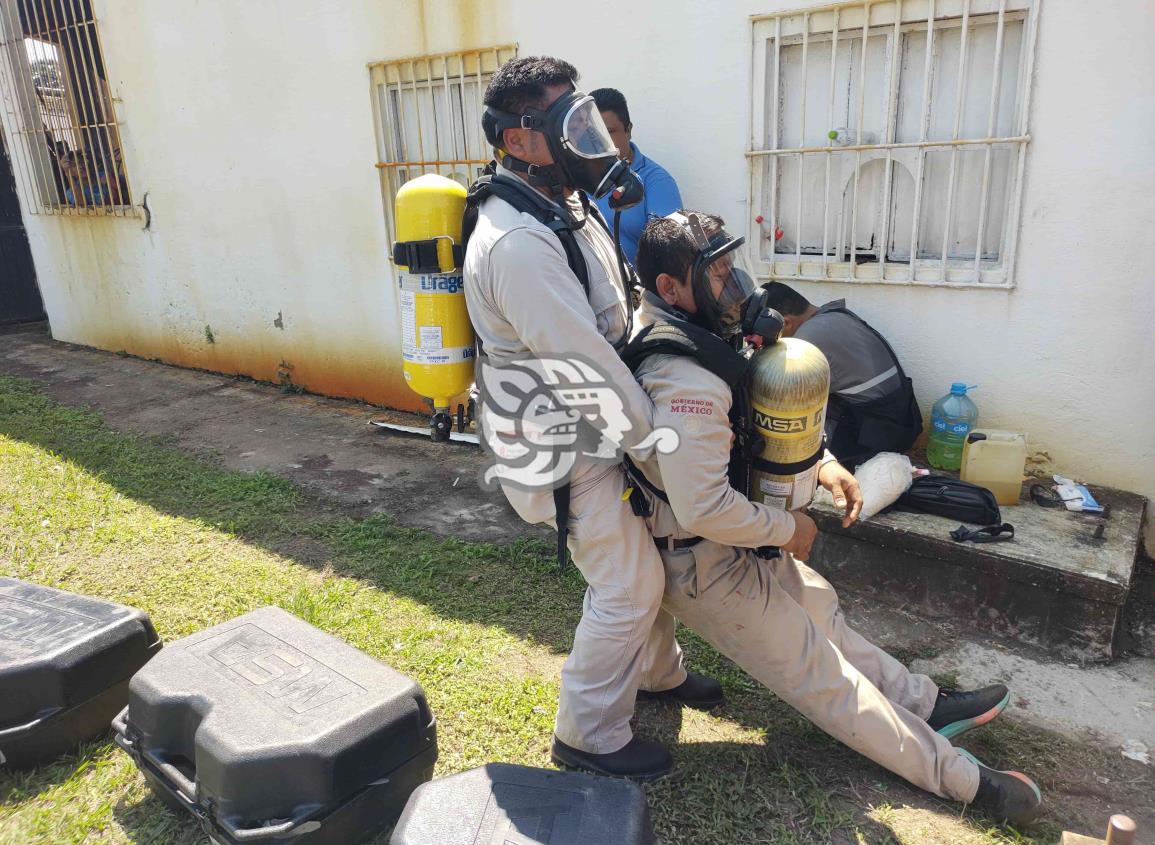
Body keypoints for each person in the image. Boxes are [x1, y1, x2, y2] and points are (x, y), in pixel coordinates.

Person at [619, 210, 1042, 825]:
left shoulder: (703, 342)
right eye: (715, 275)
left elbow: (764, 429)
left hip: (734, 546)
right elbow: (702, 506)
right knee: (828, 682)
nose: (732, 286)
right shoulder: (682, 378)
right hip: (701, 560)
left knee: (825, 615)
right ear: (669, 289)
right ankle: (968, 783)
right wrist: (792, 528)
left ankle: (927, 706)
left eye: (731, 268)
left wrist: (824, 464)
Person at [462, 56, 721, 781]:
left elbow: (617, 310)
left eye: (585, 120)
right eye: (567, 124)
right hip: (563, 441)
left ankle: (658, 674)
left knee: (648, 557)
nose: (586, 137)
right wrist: (660, 448)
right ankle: (587, 732)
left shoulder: (564, 204)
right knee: (627, 581)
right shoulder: (516, 243)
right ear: (519, 141)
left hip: (598, 421)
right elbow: (587, 368)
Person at [760, 282, 923, 469]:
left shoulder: (806, 338)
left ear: (786, 322)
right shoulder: (835, 316)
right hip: (899, 421)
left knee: (782, 429)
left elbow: (780, 391)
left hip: (875, 437)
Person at [590, 87, 683, 266]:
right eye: (593, 133)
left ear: (628, 130)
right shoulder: (575, 178)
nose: (600, 142)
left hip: (633, 291)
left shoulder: (657, 182)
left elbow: (665, 252)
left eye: (609, 132)